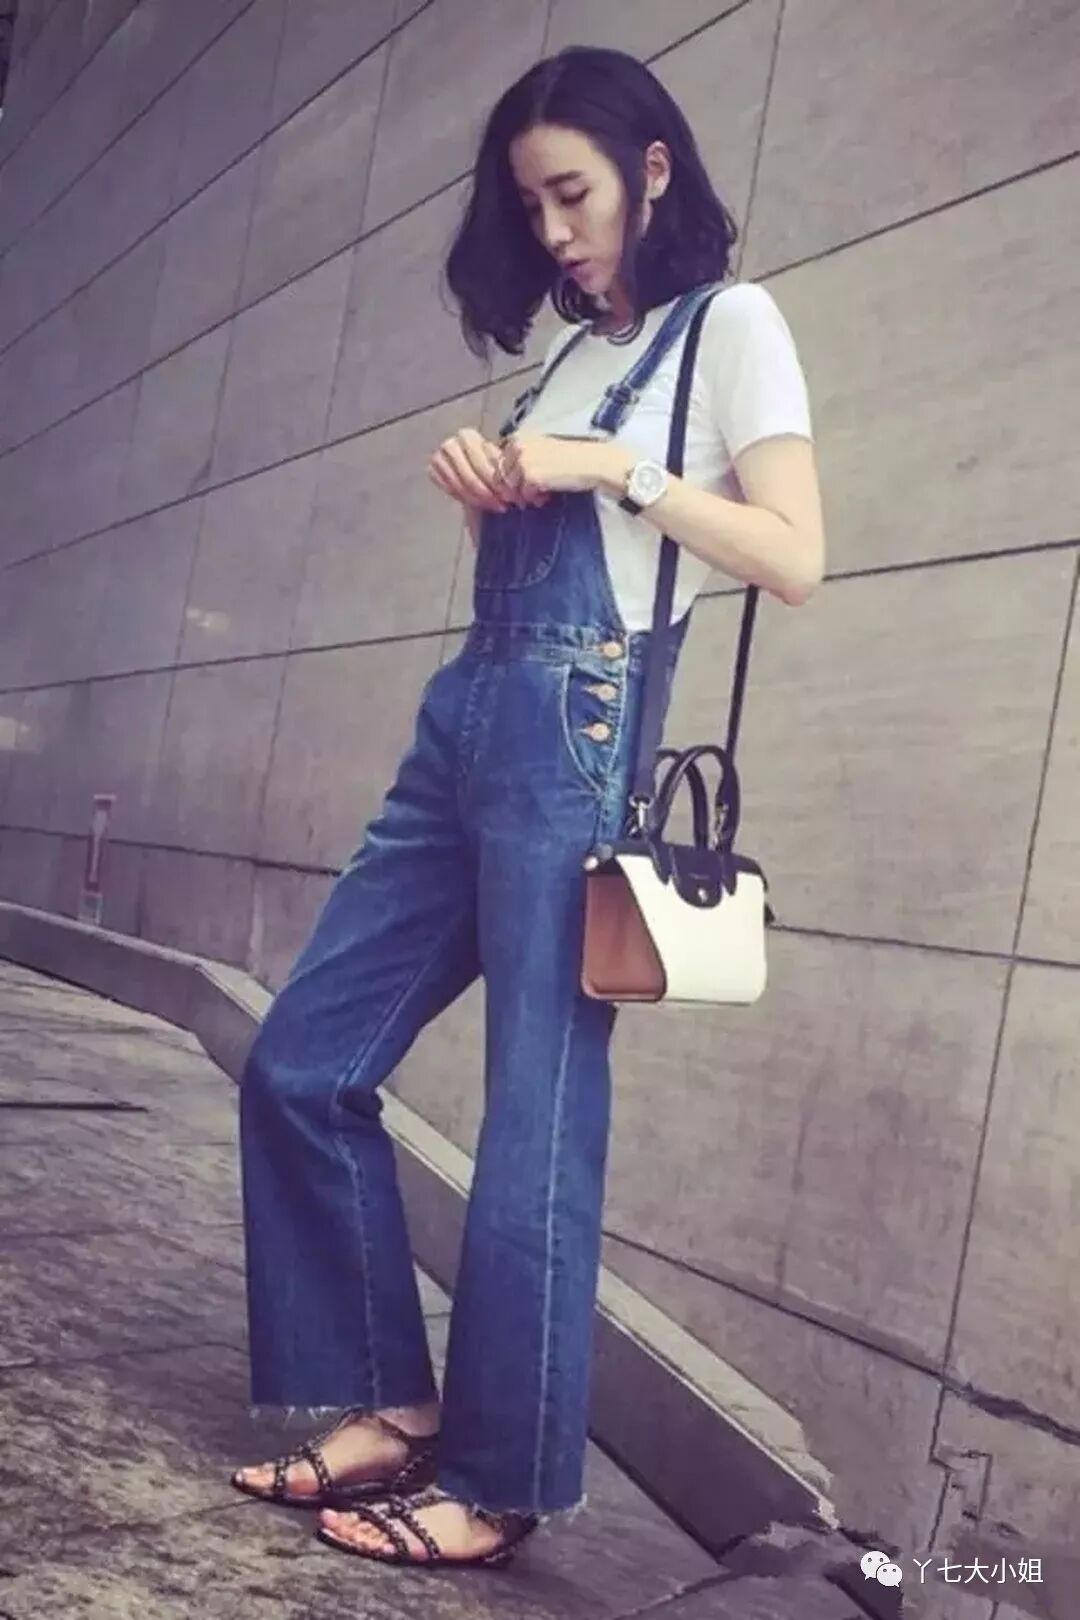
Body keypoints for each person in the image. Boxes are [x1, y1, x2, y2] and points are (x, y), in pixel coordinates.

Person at [229, 45, 825, 1571]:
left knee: (536, 1116)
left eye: (575, 193)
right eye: (533, 204)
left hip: (580, 729)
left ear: (653, 170)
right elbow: (541, 525)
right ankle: (387, 1400)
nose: (556, 231)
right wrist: (490, 477)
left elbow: (795, 554)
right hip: (474, 712)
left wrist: (617, 470)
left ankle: (496, 1485)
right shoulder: (567, 350)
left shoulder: (730, 326)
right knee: (302, 1059)